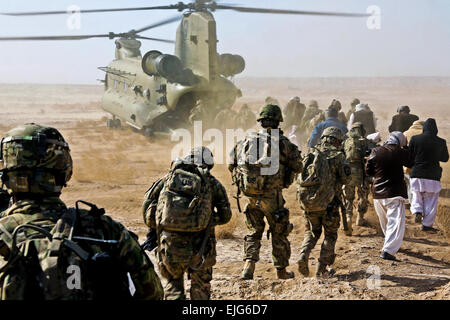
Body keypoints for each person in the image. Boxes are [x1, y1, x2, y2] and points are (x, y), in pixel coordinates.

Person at [0, 123, 163, 300]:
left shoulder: (4, 231)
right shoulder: (106, 229)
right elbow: (152, 293)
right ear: (65, 173)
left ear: (6, 175)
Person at [142, 147, 232, 300]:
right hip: (202, 247)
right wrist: (207, 220)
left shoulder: (168, 179)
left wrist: (165, 222)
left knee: (173, 285)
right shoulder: (211, 183)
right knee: (201, 288)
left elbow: (147, 211)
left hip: (170, 244)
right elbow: (226, 216)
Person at [228, 104, 302, 280]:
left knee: (253, 232)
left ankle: (248, 267)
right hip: (272, 197)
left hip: (250, 196)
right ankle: (281, 271)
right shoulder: (284, 143)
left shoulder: (246, 140)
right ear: (278, 122)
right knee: (279, 232)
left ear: (260, 121)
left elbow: (232, 164)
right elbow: (298, 166)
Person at [297, 127, 351, 277]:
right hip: (330, 204)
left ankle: (303, 254)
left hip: (309, 202)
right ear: (336, 140)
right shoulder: (338, 156)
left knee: (312, 232)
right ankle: (321, 269)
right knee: (330, 235)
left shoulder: (311, 152)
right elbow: (347, 179)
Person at [365, 132, 414, 260]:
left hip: (378, 194)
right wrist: (406, 148)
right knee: (396, 222)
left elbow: (368, 171)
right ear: (400, 141)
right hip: (394, 192)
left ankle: (390, 243)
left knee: (386, 222)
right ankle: (388, 250)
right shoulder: (400, 151)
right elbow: (410, 163)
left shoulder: (376, 151)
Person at [408, 119, 449, 231]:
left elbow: (409, 156)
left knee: (416, 194)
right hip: (433, 175)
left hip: (417, 172)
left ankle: (417, 211)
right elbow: (445, 158)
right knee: (431, 201)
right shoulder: (441, 141)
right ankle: (427, 225)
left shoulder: (415, 139)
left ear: (424, 128)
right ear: (436, 129)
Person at [343, 122, 371, 235]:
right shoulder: (365, 142)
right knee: (362, 195)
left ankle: (348, 217)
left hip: (348, 173)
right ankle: (360, 217)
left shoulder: (346, 141)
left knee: (348, 197)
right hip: (362, 173)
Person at [403, 120, 425, 206]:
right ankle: (419, 204)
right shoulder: (425, 133)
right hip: (422, 164)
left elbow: (403, 147)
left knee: (410, 184)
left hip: (408, 164)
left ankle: (411, 202)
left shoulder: (406, 133)